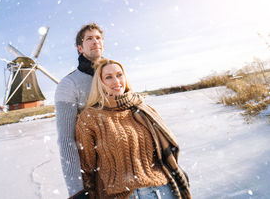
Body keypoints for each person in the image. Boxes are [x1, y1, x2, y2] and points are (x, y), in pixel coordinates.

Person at [75, 59, 191, 199]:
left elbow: (165, 154)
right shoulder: (90, 118)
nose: (116, 81)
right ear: (100, 83)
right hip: (124, 194)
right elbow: (87, 168)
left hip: (165, 189)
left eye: (119, 75)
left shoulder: (142, 109)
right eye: (108, 77)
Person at [55, 23, 104, 198]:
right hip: (95, 172)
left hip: (126, 169)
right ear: (80, 48)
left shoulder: (113, 76)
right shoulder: (68, 85)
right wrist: (76, 190)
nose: (95, 41)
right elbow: (66, 139)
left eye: (98, 38)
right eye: (89, 38)